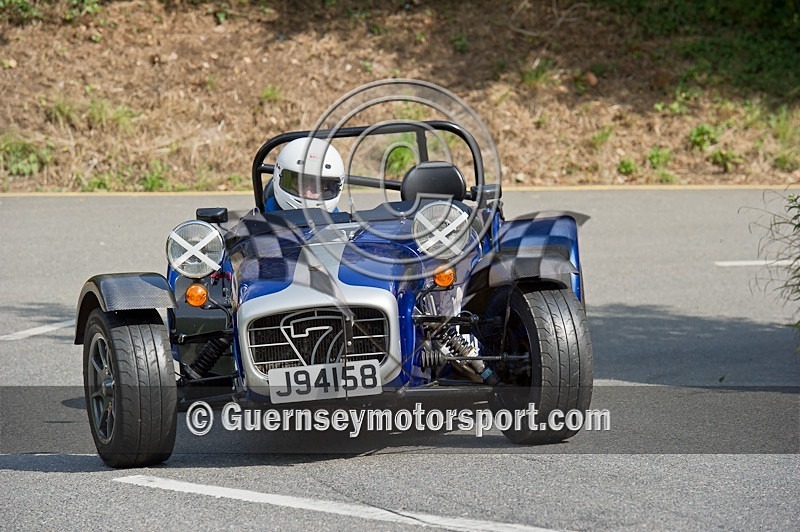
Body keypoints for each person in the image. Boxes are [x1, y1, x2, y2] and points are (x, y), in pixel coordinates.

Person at [266, 137, 345, 212]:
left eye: (318, 188)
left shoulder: (337, 220)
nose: (308, 195)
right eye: (299, 185)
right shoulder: (265, 220)